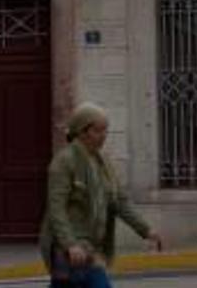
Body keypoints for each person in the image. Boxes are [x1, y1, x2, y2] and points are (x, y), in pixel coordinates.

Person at [38, 102, 164, 287]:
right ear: (83, 131)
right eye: (98, 131)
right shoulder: (64, 162)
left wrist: (146, 230)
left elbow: (119, 202)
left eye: (106, 130)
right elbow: (56, 208)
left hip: (91, 246)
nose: (104, 135)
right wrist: (70, 244)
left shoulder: (102, 162)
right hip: (72, 248)